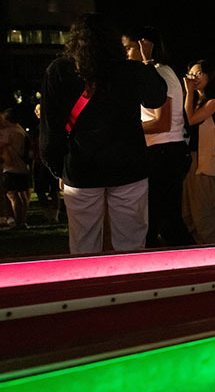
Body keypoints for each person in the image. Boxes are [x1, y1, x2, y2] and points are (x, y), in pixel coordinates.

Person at [41, 13, 166, 254]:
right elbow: (157, 98)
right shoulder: (130, 70)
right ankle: (130, 289)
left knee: (83, 245)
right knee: (131, 244)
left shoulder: (59, 71)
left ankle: (89, 289)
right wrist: (147, 62)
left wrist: (60, 168)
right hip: (129, 166)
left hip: (81, 169)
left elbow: (50, 131)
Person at [124, 26, 193, 248]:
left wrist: (127, 129)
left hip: (164, 153)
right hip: (164, 152)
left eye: (128, 48)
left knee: (160, 220)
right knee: (163, 220)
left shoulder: (160, 74)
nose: (125, 54)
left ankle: (198, 264)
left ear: (144, 45)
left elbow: (162, 122)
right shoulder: (156, 73)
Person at [182, 60, 215, 244]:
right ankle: (204, 247)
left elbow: (191, 119)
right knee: (190, 210)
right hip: (194, 158)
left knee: (207, 209)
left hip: (207, 159)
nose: (193, 78)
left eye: (198, 74)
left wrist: (188, 92)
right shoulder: (196, 100)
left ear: (209, 76)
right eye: (191, 74)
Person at [0, 108, 31, 229]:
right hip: (22, 166)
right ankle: (22, 221)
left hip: (11, 167)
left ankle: (17, 222)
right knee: (22, 195)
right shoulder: (21, 130)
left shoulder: (9, 132)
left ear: (7, 120)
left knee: (12, 195)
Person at [31, 104, 60, 223]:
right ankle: (47, 213)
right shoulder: (35, 128)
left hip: (50, 161)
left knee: (54, 190)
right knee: (40, 189)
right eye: (36, 111)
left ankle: (54, 214)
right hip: (39, 162)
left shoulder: (52, 126)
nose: (38, 112)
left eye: (40, 110)